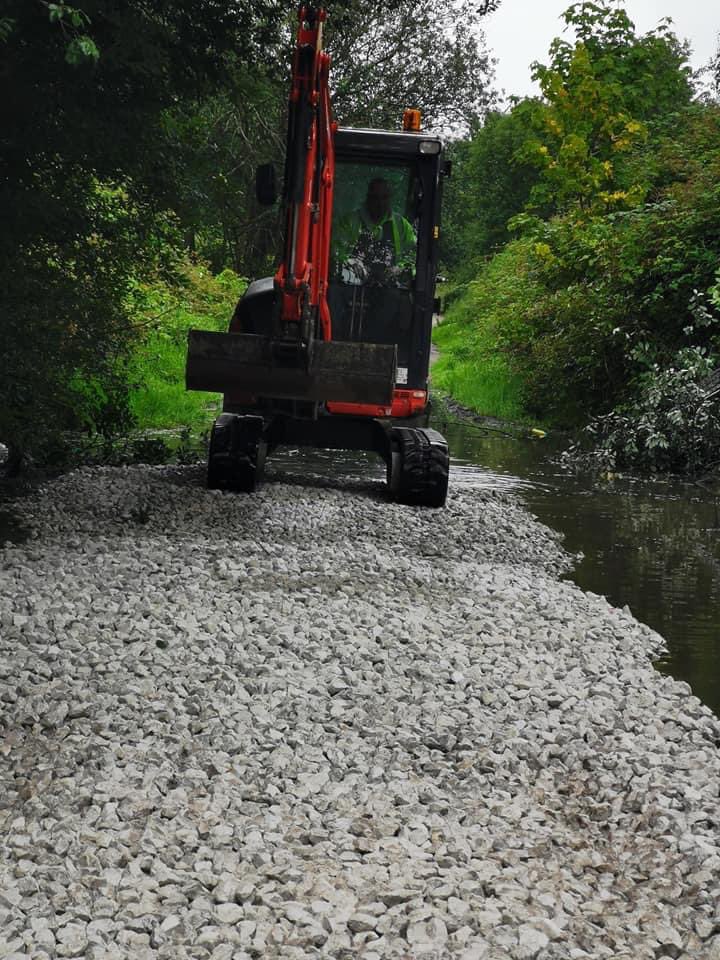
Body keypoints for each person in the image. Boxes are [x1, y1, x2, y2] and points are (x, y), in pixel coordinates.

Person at [333, 177, 416, 285]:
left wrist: (399, 268)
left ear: (390, 199)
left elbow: (413, 255)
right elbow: (335, 253)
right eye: (375, 198)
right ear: (368, 198)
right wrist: (350, 263)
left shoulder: (402, 225)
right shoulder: (349, 222)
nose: (380, 203)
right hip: (353, 287)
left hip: (390, 288)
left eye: (384, 197)